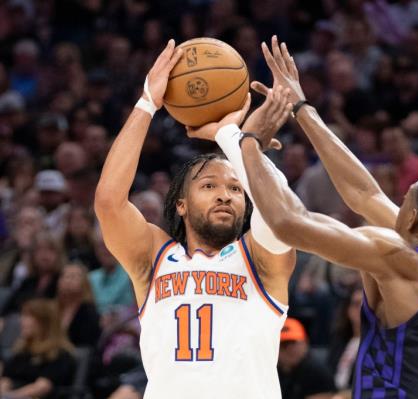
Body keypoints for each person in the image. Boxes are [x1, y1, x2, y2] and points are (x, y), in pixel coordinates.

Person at [194, 36, 418, 399]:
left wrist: (248, 141)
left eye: (406, 198)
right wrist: (302, 108)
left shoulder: (401, 259)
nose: (397, 201)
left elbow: (288, 223)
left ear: (412, 219)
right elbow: (365, 194)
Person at [94, 40, 296, 399]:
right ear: (182, 205)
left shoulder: (261, 261)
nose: (224, 194)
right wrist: (147, 102)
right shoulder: (154, 258)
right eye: (209, 185)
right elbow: (109, 202)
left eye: (236, 189)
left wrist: (233, 137)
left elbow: (281, 213)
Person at [0, 298, 75, 399]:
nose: (22, 320)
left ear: (44, 323)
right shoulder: (22, 351)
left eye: (28, 316)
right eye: (23, 315)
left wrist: (11, 396)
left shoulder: (59, 353)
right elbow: (6, 379)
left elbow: (42, 387)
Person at [277, 318, 336, 399]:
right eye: (284, 345)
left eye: (293, 343)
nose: (289, 349)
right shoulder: (270, 372)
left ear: (305, 342)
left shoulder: (318, 373)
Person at [56, 262, 101, 347]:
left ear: (84, 283)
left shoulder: (88, 312)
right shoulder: (53, 308)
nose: (68, 280)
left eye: (73, 276)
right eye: (65, 276)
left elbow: (87, 344)